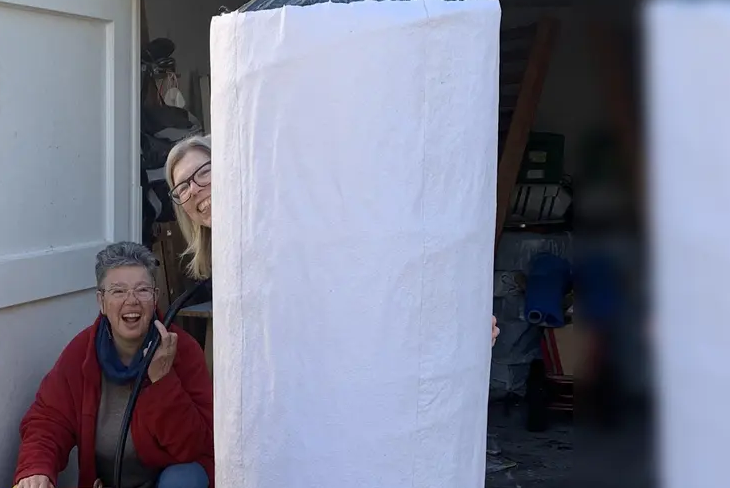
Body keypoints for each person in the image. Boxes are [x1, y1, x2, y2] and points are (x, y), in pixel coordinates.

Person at [165, 134, 501, 348]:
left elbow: (374, 285)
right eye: (182, 187)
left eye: (204, 171)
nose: (194, 188)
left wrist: (452, 328)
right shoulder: (225, 266)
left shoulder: (289, 236)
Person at [13, 242, 214, 488]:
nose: (131, 301)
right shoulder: (82, 351)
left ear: (155, 298)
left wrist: (162, 382)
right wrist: (35, 468)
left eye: (142, 290)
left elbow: (196, 447)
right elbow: (48, 419)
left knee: (183, 485)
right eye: (118, 291)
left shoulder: (183, 350)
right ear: (102, 302)